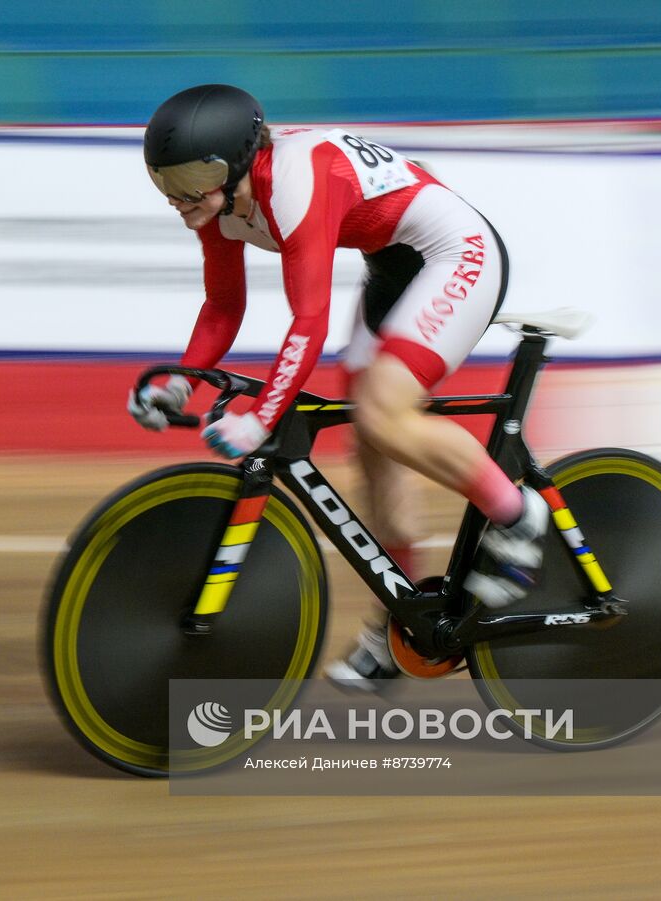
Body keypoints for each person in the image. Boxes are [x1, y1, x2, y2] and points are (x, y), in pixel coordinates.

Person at [128, 84, 548, 688]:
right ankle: (401, 620)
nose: (178, 196)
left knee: (384, 412)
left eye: (193, 177)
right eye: (165, 180)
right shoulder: (217, 201)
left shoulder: (294, 182)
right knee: (374, 456)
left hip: (455, 254)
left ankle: (515, 516)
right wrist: (177, 381)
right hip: (393, 270)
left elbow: (309, 322)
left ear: (240, 160)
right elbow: (222, 306)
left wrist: (262, 417)